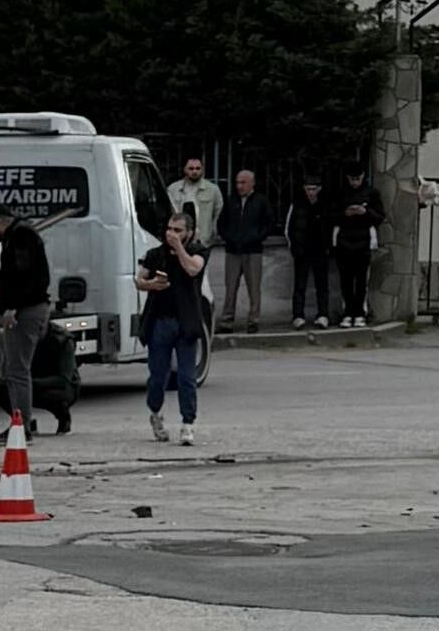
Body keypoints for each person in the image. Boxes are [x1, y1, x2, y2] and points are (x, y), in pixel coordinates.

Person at [0, 204, 51, 441]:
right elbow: (13, 271)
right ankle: (23, 423)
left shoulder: (21, 237)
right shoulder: (18, 235)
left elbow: (25, 275)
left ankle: (21, 427)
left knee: (17, 371)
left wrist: (13, 306)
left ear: (0, 221)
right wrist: (0, 286)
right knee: (16, 370)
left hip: (25, 311)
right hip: (28, 308)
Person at [137, 214, 207, 446]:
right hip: (160, 321)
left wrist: (179, 249)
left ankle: (188, 423)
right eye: (169, 229)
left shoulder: (197, 251)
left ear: (188, 233)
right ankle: (155, 412)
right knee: (158, 375)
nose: (172, 234)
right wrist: (151, 285)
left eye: (178, 230)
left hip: (186, 323)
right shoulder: (155, 254)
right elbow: (139, 280)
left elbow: (193, 269)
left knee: (187, 377)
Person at [217, 169, 276, 333]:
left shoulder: (261, 201)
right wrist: (229, 237)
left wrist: (257, 237)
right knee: (230, 287)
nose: (239, 186)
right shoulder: (231, 201)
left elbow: (270, 223)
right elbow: (221, 223)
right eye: (237, 182)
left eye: (243, 183)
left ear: (252, 183)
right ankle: (227, 320)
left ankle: (253, 320)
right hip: (233, 250)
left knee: (254, 287)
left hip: (253, 250)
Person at [333, 164, 382, 328]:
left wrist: (365, 212)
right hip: (344, 241)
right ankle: (347, 313)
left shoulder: (372, 193)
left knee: (361, 281)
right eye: (352, 179)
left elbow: (380, 217)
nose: (355, 182)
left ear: (363, 177)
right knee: (345, 280)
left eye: (358, 179)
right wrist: (344, 214)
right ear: (347, 178)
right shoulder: (341, 193)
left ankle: (360, 313)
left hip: (363, 242)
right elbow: (331, 215)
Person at [286, 177, 333, 329]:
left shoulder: (325, 205)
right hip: (302, 251)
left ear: (319, 189)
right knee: (300, 285)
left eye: (313, 189)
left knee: (322, 285)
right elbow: (289, 228)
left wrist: (329, 247)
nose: (310, 192)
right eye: (308, 189)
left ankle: (323, 315)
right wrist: (294, 247)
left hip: (320, 250)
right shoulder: (297, 204)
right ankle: (298, 315)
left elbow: (331, 227)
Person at [31, 305, 82, 435]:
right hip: (32, 380)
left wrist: (33, 383)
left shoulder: (62, 339)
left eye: (40, 327)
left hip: (59, 384)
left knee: (58, 394)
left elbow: (64, 379)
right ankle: (24, 421)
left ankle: (64, 418)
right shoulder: (24, 337)